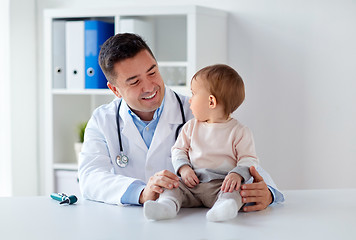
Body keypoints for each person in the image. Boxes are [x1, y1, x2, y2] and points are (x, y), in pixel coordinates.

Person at [78, 33, 284, 211]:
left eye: (152, 72)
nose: (150, 86)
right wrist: (141, 192)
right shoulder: (102, 120)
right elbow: (91, 177)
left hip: (194, 224)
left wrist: (269, 193)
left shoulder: (197, 111)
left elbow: (244, 159)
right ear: (115, 90)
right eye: (135, 82)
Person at [144, 64, 262, 221]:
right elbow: (178, 150)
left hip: (222, 184)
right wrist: (184, 169)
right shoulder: (191, 127)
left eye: (193, 94)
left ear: (211, 102)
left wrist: (236, 174)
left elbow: (249, 159)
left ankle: (224, 208)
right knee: (172, 186)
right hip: (192, 183)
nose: (189, 100)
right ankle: (167, 206)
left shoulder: (239, 131)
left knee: (236, 191)